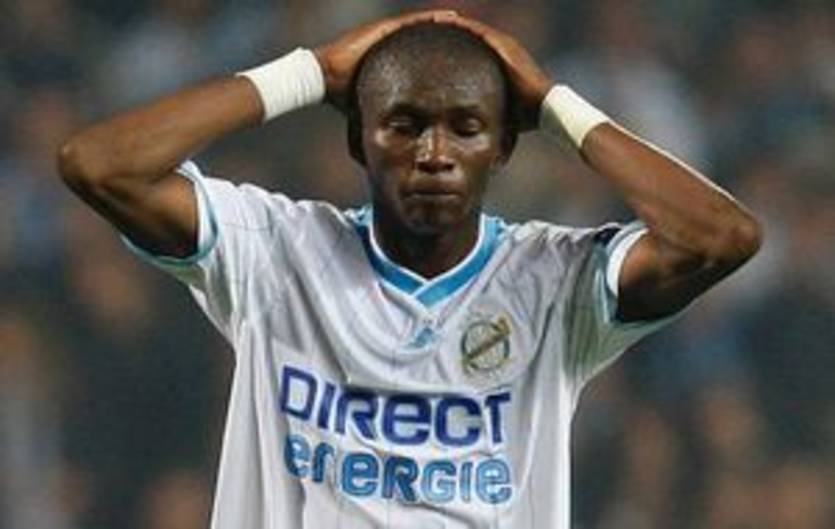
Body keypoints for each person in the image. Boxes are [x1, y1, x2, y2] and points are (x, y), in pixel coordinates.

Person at [57, 9, 762, 529]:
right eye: (403, 124)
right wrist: (308, 72)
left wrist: (551, 102)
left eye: (466, 126)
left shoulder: (552, 281)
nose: (434, 153)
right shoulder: (273, 253)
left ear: (503, 146)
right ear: (358, 141)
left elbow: (722, 235)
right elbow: (97, 164)